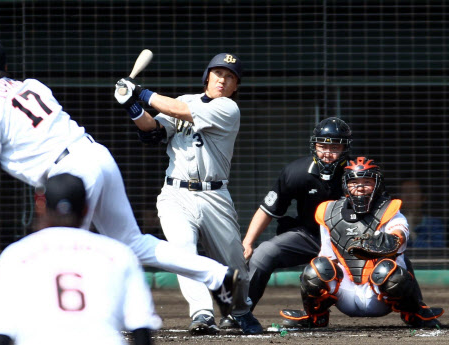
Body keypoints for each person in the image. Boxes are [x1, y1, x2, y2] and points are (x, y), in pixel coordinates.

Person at [0, 37, 239, 319]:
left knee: (63, 247)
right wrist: (134, 105)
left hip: (70, 174)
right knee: (132, 242)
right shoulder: (31, 86)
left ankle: (74, 317)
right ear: (6, 67)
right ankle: (217, 274)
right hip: (96, 154)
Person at [113, 53, 263, 335]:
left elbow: (180, 111)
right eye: (218, 73)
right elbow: (154, 131)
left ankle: (239, 311)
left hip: (214, 195)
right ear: (208, 76)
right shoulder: (186, 99)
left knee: (235, 268)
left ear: (235, 86)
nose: (223, 80)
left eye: (230, 76)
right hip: (175, 194)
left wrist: (140, 92)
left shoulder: (228, 109)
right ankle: (202, 313)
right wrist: (132, 106)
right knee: (183, 251)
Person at [0, 173, 162, 345]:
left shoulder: (17, 254)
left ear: (40, 205)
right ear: (87, 209)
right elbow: (141, 330)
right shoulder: (119, 253)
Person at [280, 157, 444, 328]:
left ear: (377, 184)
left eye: (367, 181)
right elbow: (327, 253)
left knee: (388, 270)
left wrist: (381, 243)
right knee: (317, 267)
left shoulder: (390, 210)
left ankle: (414, 313)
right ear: (345, 184)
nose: (360, 187)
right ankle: (315, 316)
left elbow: (399, 235)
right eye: (354, 182)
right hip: (346, 292)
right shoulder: (329, 211)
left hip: (378, 293)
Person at [242, 117, 352, 310]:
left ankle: (415, 309)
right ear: (314, 146)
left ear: (345, 148)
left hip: (350, 241)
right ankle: (240, 312)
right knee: (264, 253)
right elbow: (268, 209)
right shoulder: (297, 172)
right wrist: (248, 242)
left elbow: (382, 211)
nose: (327, 153)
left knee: (391, 266)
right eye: (322, 147)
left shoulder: (360, 174)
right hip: (309, 236)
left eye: (335, 147)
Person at [399, 179, 446, 248]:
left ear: (423, 198)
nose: (409, 196)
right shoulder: (393, 223)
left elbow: (437, 252)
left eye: (413, 191)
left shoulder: (434, 224)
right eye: (405, 191)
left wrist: (412, 233)